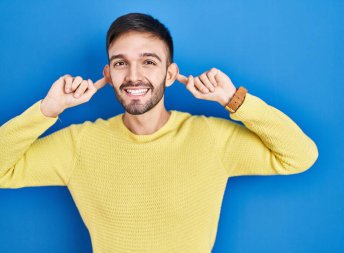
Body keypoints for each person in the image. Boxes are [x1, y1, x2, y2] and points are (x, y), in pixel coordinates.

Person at [0, 12, 318, 253]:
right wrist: (47, 110)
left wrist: (235, 100)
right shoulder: (79, 144)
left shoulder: (211, 137)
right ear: (108, 75)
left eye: (149, 62)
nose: (134, 76)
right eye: (121, 64)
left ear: (170, 74)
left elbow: (299, 157)